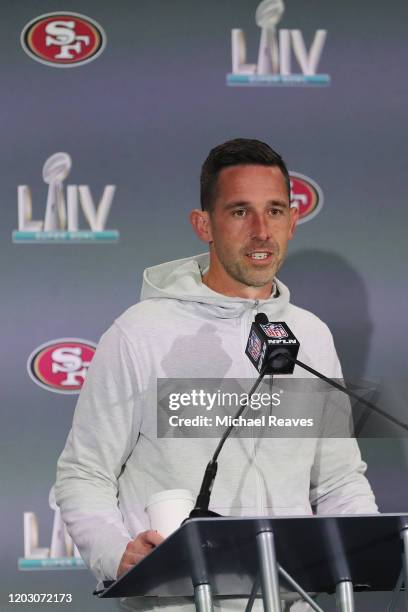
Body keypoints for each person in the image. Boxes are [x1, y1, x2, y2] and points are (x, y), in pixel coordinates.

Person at [55, 138, 378, 611]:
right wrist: (114, 553)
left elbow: (337, 481)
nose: (261, 231)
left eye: (274, 211)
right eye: (240, 212)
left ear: (292, 220)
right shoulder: (140, 333)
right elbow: (85, 472)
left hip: (293, 599)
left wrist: (368, 553)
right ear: (204, 224)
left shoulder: (310, 335)